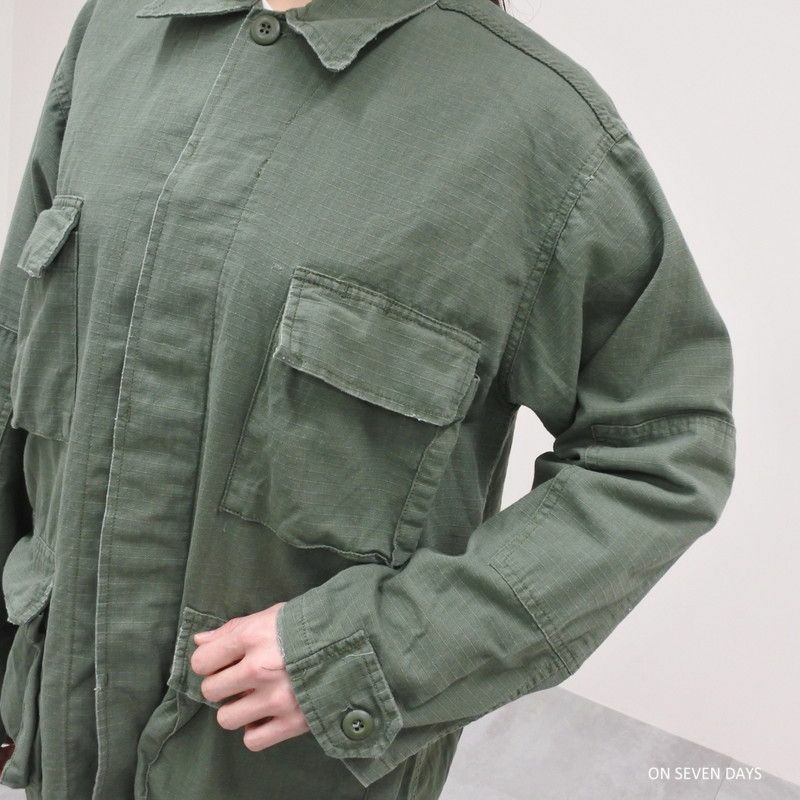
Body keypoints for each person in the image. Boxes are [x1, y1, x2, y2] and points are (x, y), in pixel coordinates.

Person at [0, 0, 737, 798]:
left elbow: (664, 448)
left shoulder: (538, 128)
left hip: (279, 774)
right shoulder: (120, 30)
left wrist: (378, 654)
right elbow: (15, 349)